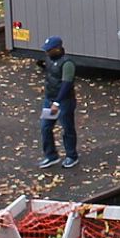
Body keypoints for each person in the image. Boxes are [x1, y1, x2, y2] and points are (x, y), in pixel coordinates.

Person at [37, 36, 78, 169]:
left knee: (67, 128)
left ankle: (72, 156)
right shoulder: (49, 59)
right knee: (45, 127)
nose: (47, 52)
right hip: (50, 99)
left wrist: (57, 102)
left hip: (64, 101)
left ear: (58, 49)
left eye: (49, 50)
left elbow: (66, 84)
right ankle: (51, 156)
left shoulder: (67, 64)